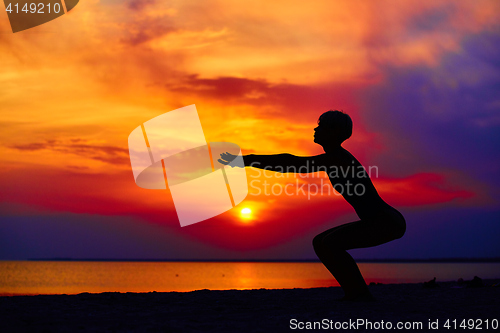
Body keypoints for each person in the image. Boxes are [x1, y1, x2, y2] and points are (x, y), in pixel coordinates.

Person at [218, 110, 406, 301]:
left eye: (321, 125)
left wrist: (247, 160)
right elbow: (291, 162)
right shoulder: (334, 158)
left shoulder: (337, 158)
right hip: (383, 220)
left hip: (385, 221)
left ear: (334, 131)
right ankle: (355, 292)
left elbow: (291, 162)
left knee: (330, 244)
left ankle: (359, 294)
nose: (316, 128)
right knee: (320, 242)